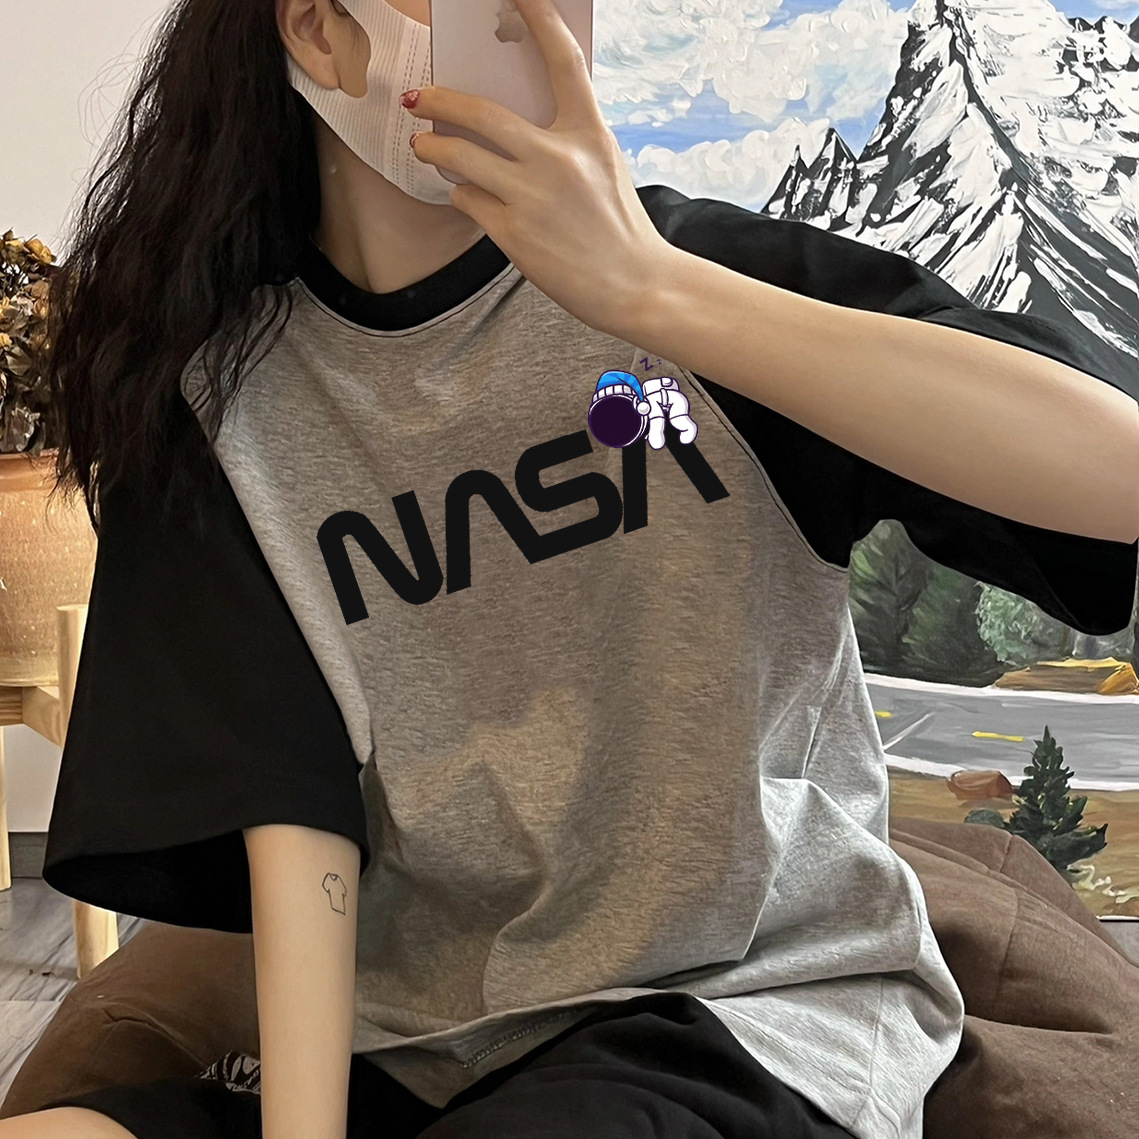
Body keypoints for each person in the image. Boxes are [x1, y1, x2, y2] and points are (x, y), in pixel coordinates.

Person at [5, 0, 1138, 1137]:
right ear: (316, 31)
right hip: (418, 1048)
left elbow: (1117, 475)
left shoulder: (705, 284)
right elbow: (293, 816)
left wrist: (646, 289)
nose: (543, 22)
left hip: (741, 1010)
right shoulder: (227, 400)